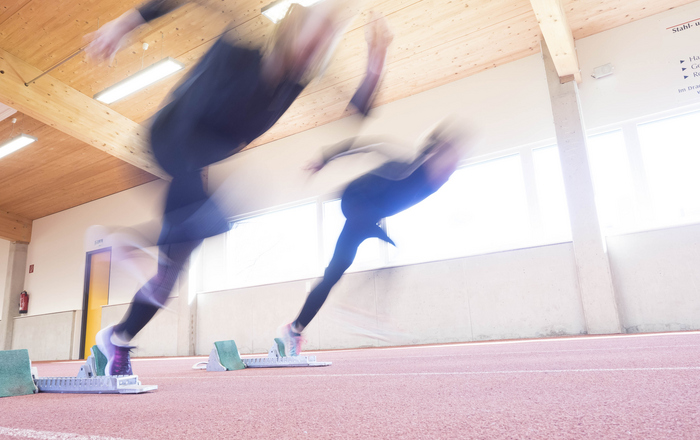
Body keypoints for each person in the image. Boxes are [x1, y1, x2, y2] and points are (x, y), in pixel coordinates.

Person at [86, 0, 393, 375]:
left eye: (325, 42)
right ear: (291, 30)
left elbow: (357, 111)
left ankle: (117, 336)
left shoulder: (295, 83)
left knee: (169, 275)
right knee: (214, 217)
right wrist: (126, 22)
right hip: (170, 137)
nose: (317, 48)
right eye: (314, 36)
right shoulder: (241, 51)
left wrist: (375, 65)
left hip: (195, 164)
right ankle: (126, 244)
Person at [281, 122, 471, 355]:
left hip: (366, 217)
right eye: (450, 159)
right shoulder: (409, 167)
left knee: (333, 274)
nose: (451, 169)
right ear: (434, 152)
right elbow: (371, 146)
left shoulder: (434, 184)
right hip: (356, 201)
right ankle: (357, 308)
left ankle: (294, 329)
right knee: (392, 250)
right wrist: (326, 157)